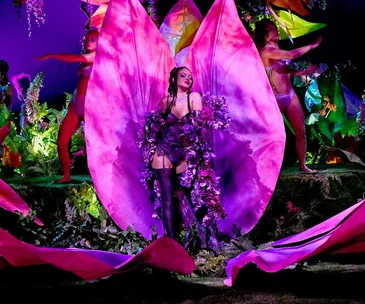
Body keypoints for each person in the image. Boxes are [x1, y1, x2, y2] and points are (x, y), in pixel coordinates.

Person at [139, 66, 227, 250]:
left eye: (190, 77)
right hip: (163, 150)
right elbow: (158, 126)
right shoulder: (165, 101)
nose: (188, 79)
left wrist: (196, 155)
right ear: (173, 79)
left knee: (196, 197)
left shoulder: (194, 98)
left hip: (185, 150)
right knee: (167, 199)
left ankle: (210, 240)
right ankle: (173, 246)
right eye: (183, 76)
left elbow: (196, 128)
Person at [254, 19, 322, 173]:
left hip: (289, 95)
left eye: (275, 27)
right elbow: (292, 54)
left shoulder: (278, 48)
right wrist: (312, 45)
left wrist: (303, 72)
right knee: (271, 135)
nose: (276, 30)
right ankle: (265, 168)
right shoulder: (266, 51)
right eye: (272, 28)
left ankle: (303, 165)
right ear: (265, 34)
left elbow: (284, 73)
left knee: (301, 131)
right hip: (274, 98)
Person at [35, 29, 99, 183]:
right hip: (75, 105)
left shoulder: (97, 56)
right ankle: (66, 175)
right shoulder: (86, 59)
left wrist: (51, 55)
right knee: (62, 140)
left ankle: (100, 177)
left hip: (91, 107)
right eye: (86, 39)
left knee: (96, 145)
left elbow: (71, 58)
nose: (87, 42)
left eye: (92, 40)